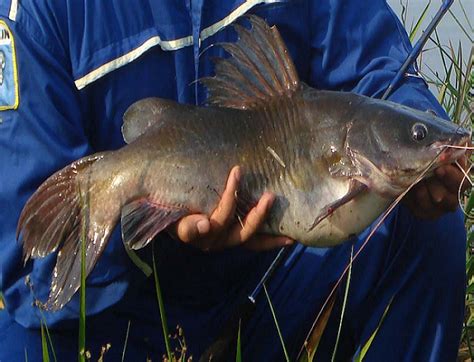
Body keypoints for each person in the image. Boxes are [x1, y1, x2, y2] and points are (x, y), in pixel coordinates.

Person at [0, 0, 467, 360]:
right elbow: (25, 270)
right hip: (122, 313)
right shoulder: (33, 14)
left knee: (428, 233)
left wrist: (432, 142)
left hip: (264, 286)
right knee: (22, 342)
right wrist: (155, 242)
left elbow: (379, 70)